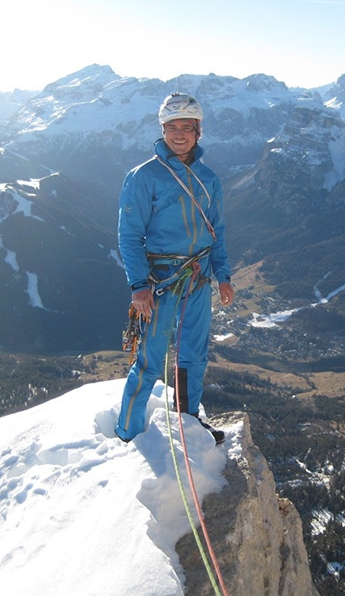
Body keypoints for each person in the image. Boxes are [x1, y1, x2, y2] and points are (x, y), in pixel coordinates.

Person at [114, 92, 235, 445]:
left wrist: (223, 276)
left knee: (193, 355)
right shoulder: (143, 177)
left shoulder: (209, 178)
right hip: (160, 281)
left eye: (187, 127)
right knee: (150, 360)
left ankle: (189, 421)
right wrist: (139, 286)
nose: (179, 134)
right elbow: (129, 235)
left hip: (198, 278)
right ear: (162, 130)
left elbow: (217, 231)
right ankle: (129, 433)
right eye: (172, 127)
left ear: (198, 131)